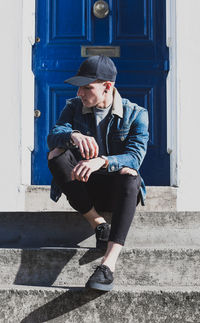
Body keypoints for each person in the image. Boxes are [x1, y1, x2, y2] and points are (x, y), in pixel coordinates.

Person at [47, 55, 149, 291]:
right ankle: (98, 223)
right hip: (83, 188)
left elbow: (135, 156)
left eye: (87, 87)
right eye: (79, 87)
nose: (80, 93)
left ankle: (108, 265)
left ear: (107, 87)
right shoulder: (73, 107)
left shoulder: (136, 114)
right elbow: (53, 135)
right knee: (56, 154)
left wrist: (101, 161)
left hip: (117, 190)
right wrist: (73, 135)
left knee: (131, 174)